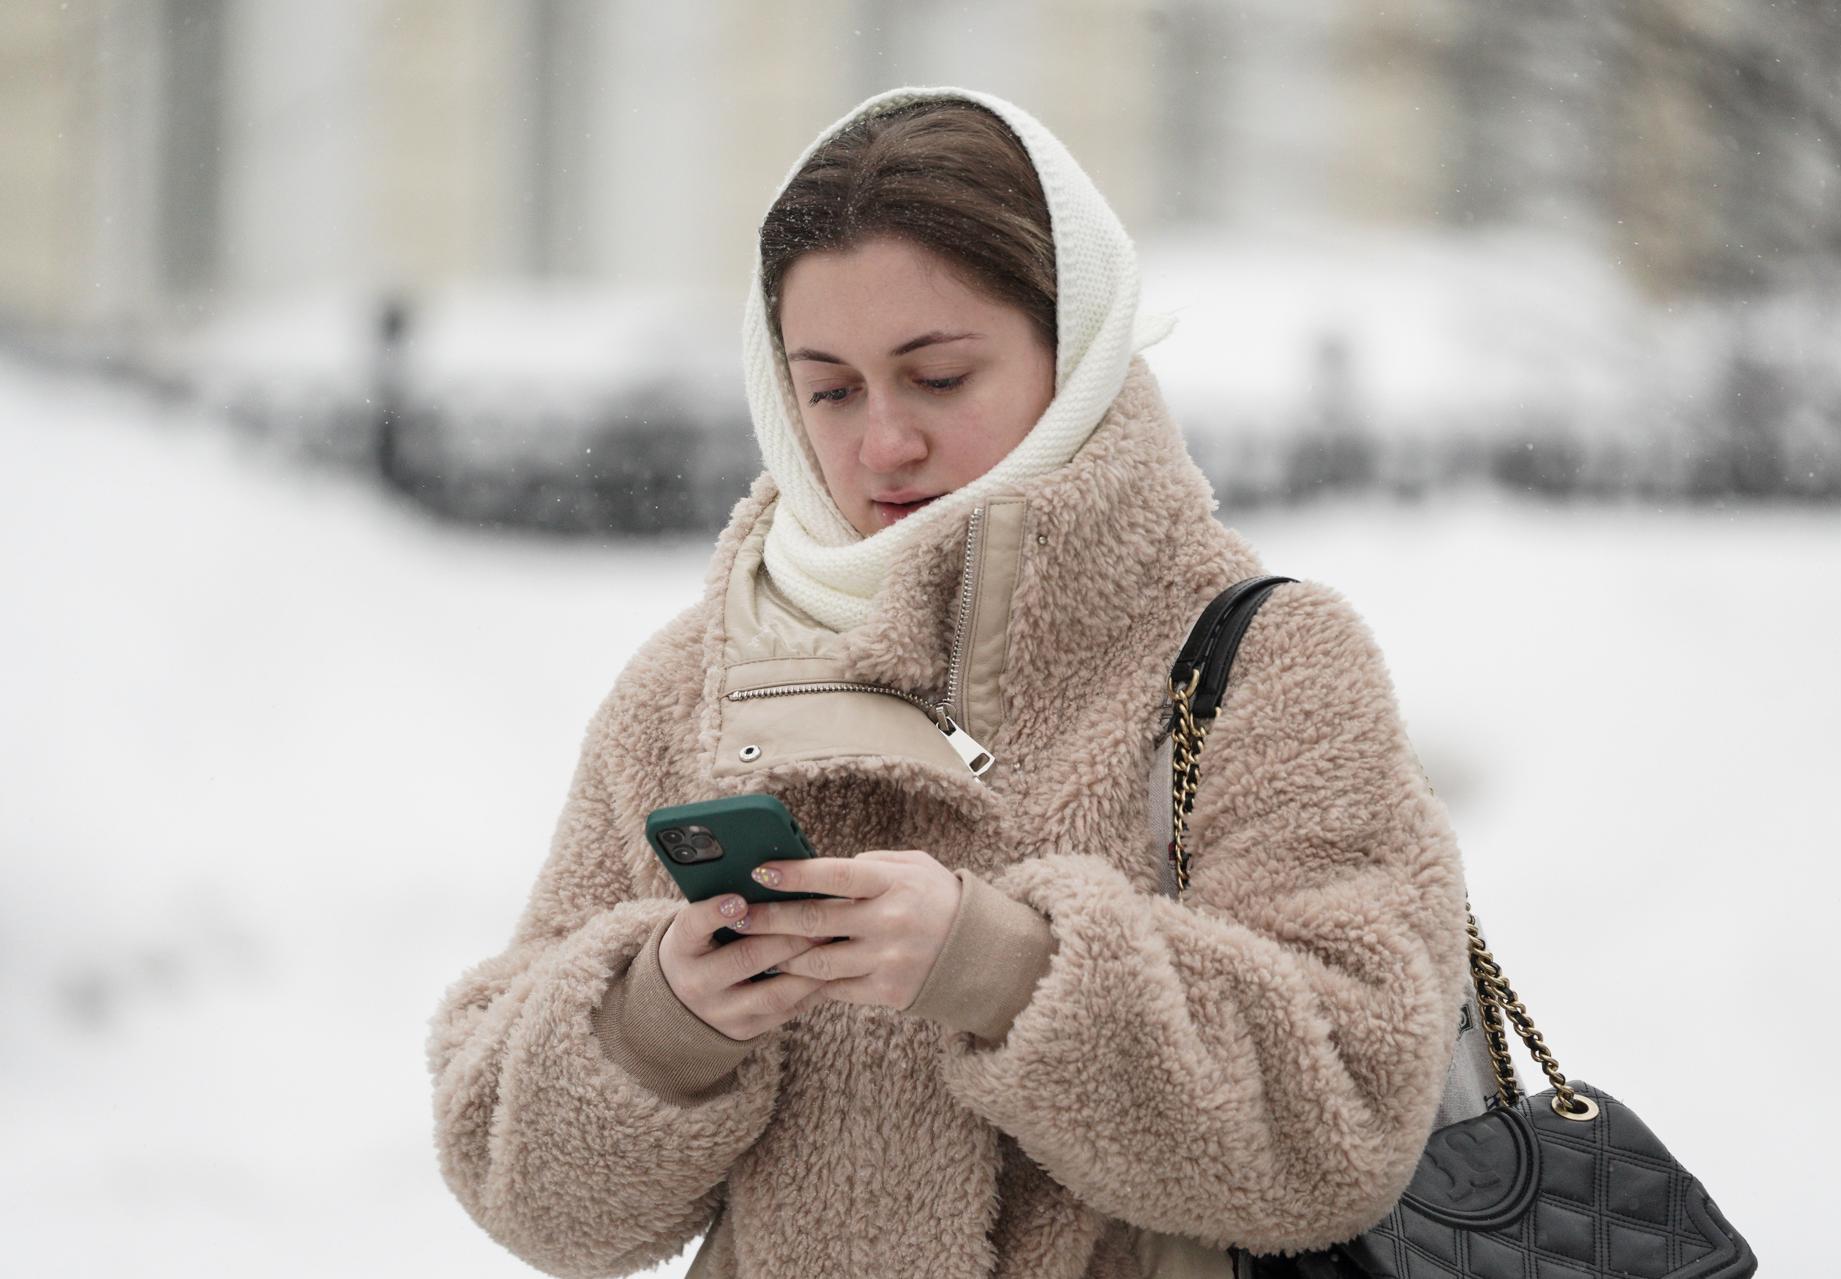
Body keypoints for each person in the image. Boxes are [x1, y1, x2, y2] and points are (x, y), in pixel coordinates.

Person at [426, 85, 1471, 1279]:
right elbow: (529, 1199)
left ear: (1071, 352)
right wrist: (660, 1018)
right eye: (830, 388)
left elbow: (1347, 1117)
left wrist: (1001, 968)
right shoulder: (694, 688)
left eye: (937, 376)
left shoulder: (1263, 659)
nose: (883, 444)